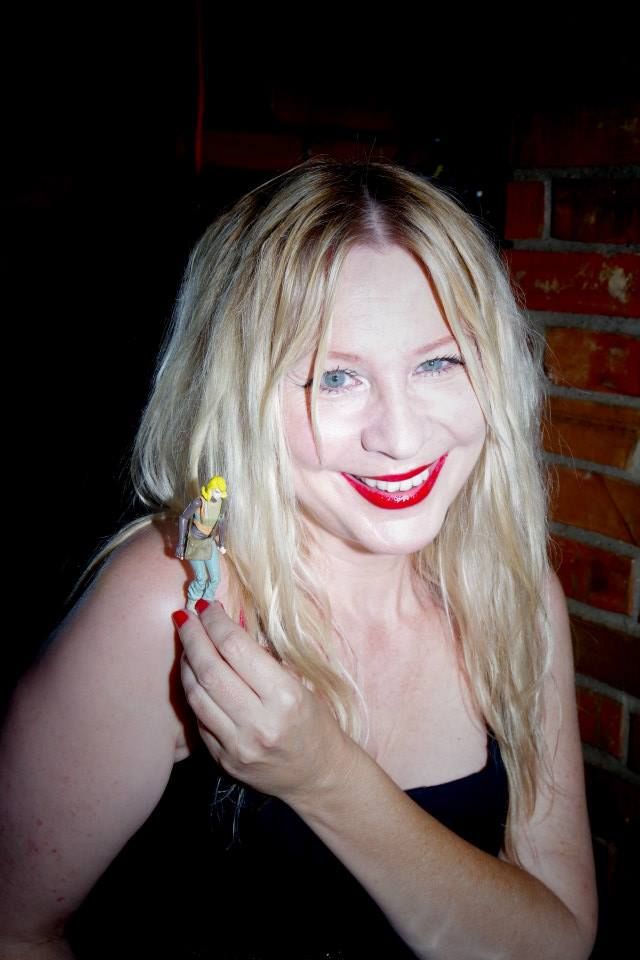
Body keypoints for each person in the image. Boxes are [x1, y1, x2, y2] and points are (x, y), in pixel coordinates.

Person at [0, 158, 597, 959]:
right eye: (334, 377)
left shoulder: (513, 595)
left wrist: (326, 778)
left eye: (438, 362)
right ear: (239, 393)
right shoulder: (166, 606)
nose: (402, 437)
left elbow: (558, 940)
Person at [176, 474, 228, 611]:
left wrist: (221, 543)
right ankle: (191, 604)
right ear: (211, 489)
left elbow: (221, 523)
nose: (218, 495)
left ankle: (206, 600)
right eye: (216, 491)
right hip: (195, 543)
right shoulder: (198, 502)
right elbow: (183, 518)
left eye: (221, 493)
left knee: (215, 578)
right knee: (201, 578)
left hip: (209, 542)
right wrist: (180, 544)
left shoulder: (220, 504)